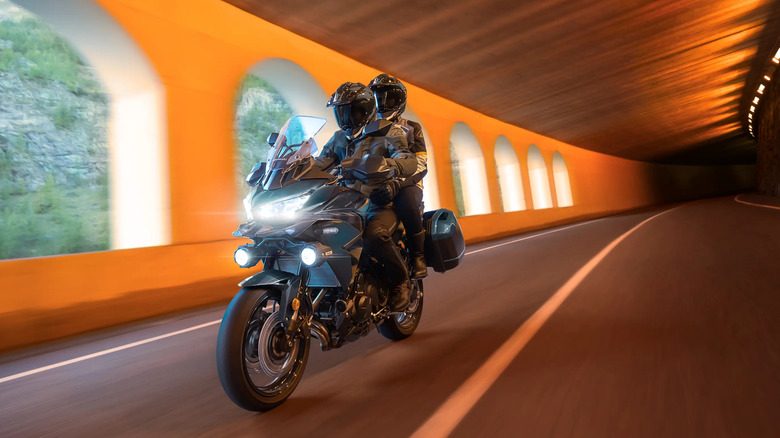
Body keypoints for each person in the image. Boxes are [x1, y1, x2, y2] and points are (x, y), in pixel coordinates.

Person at [315, 82, 417, 311]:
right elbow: (320, 164)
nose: (345, 118)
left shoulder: (388, 132)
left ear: (366, 110)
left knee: (373, 235)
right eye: (340, 112)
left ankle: (402, 283)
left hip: (378, 202)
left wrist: (386, 164)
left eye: (351, 111)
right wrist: (294, 167)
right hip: (344, 202)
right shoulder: (338, 138)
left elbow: (408, 160)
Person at [368, 73, 428, 279]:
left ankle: (418, 255)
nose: (382, 103)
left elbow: (420, 165)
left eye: (388, 98)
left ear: (399, 101)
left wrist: (398, 184)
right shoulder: (367, 130)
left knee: (407, 203)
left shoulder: (412, 128)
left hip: (407, 183)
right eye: (377, 97)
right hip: (376, 184)